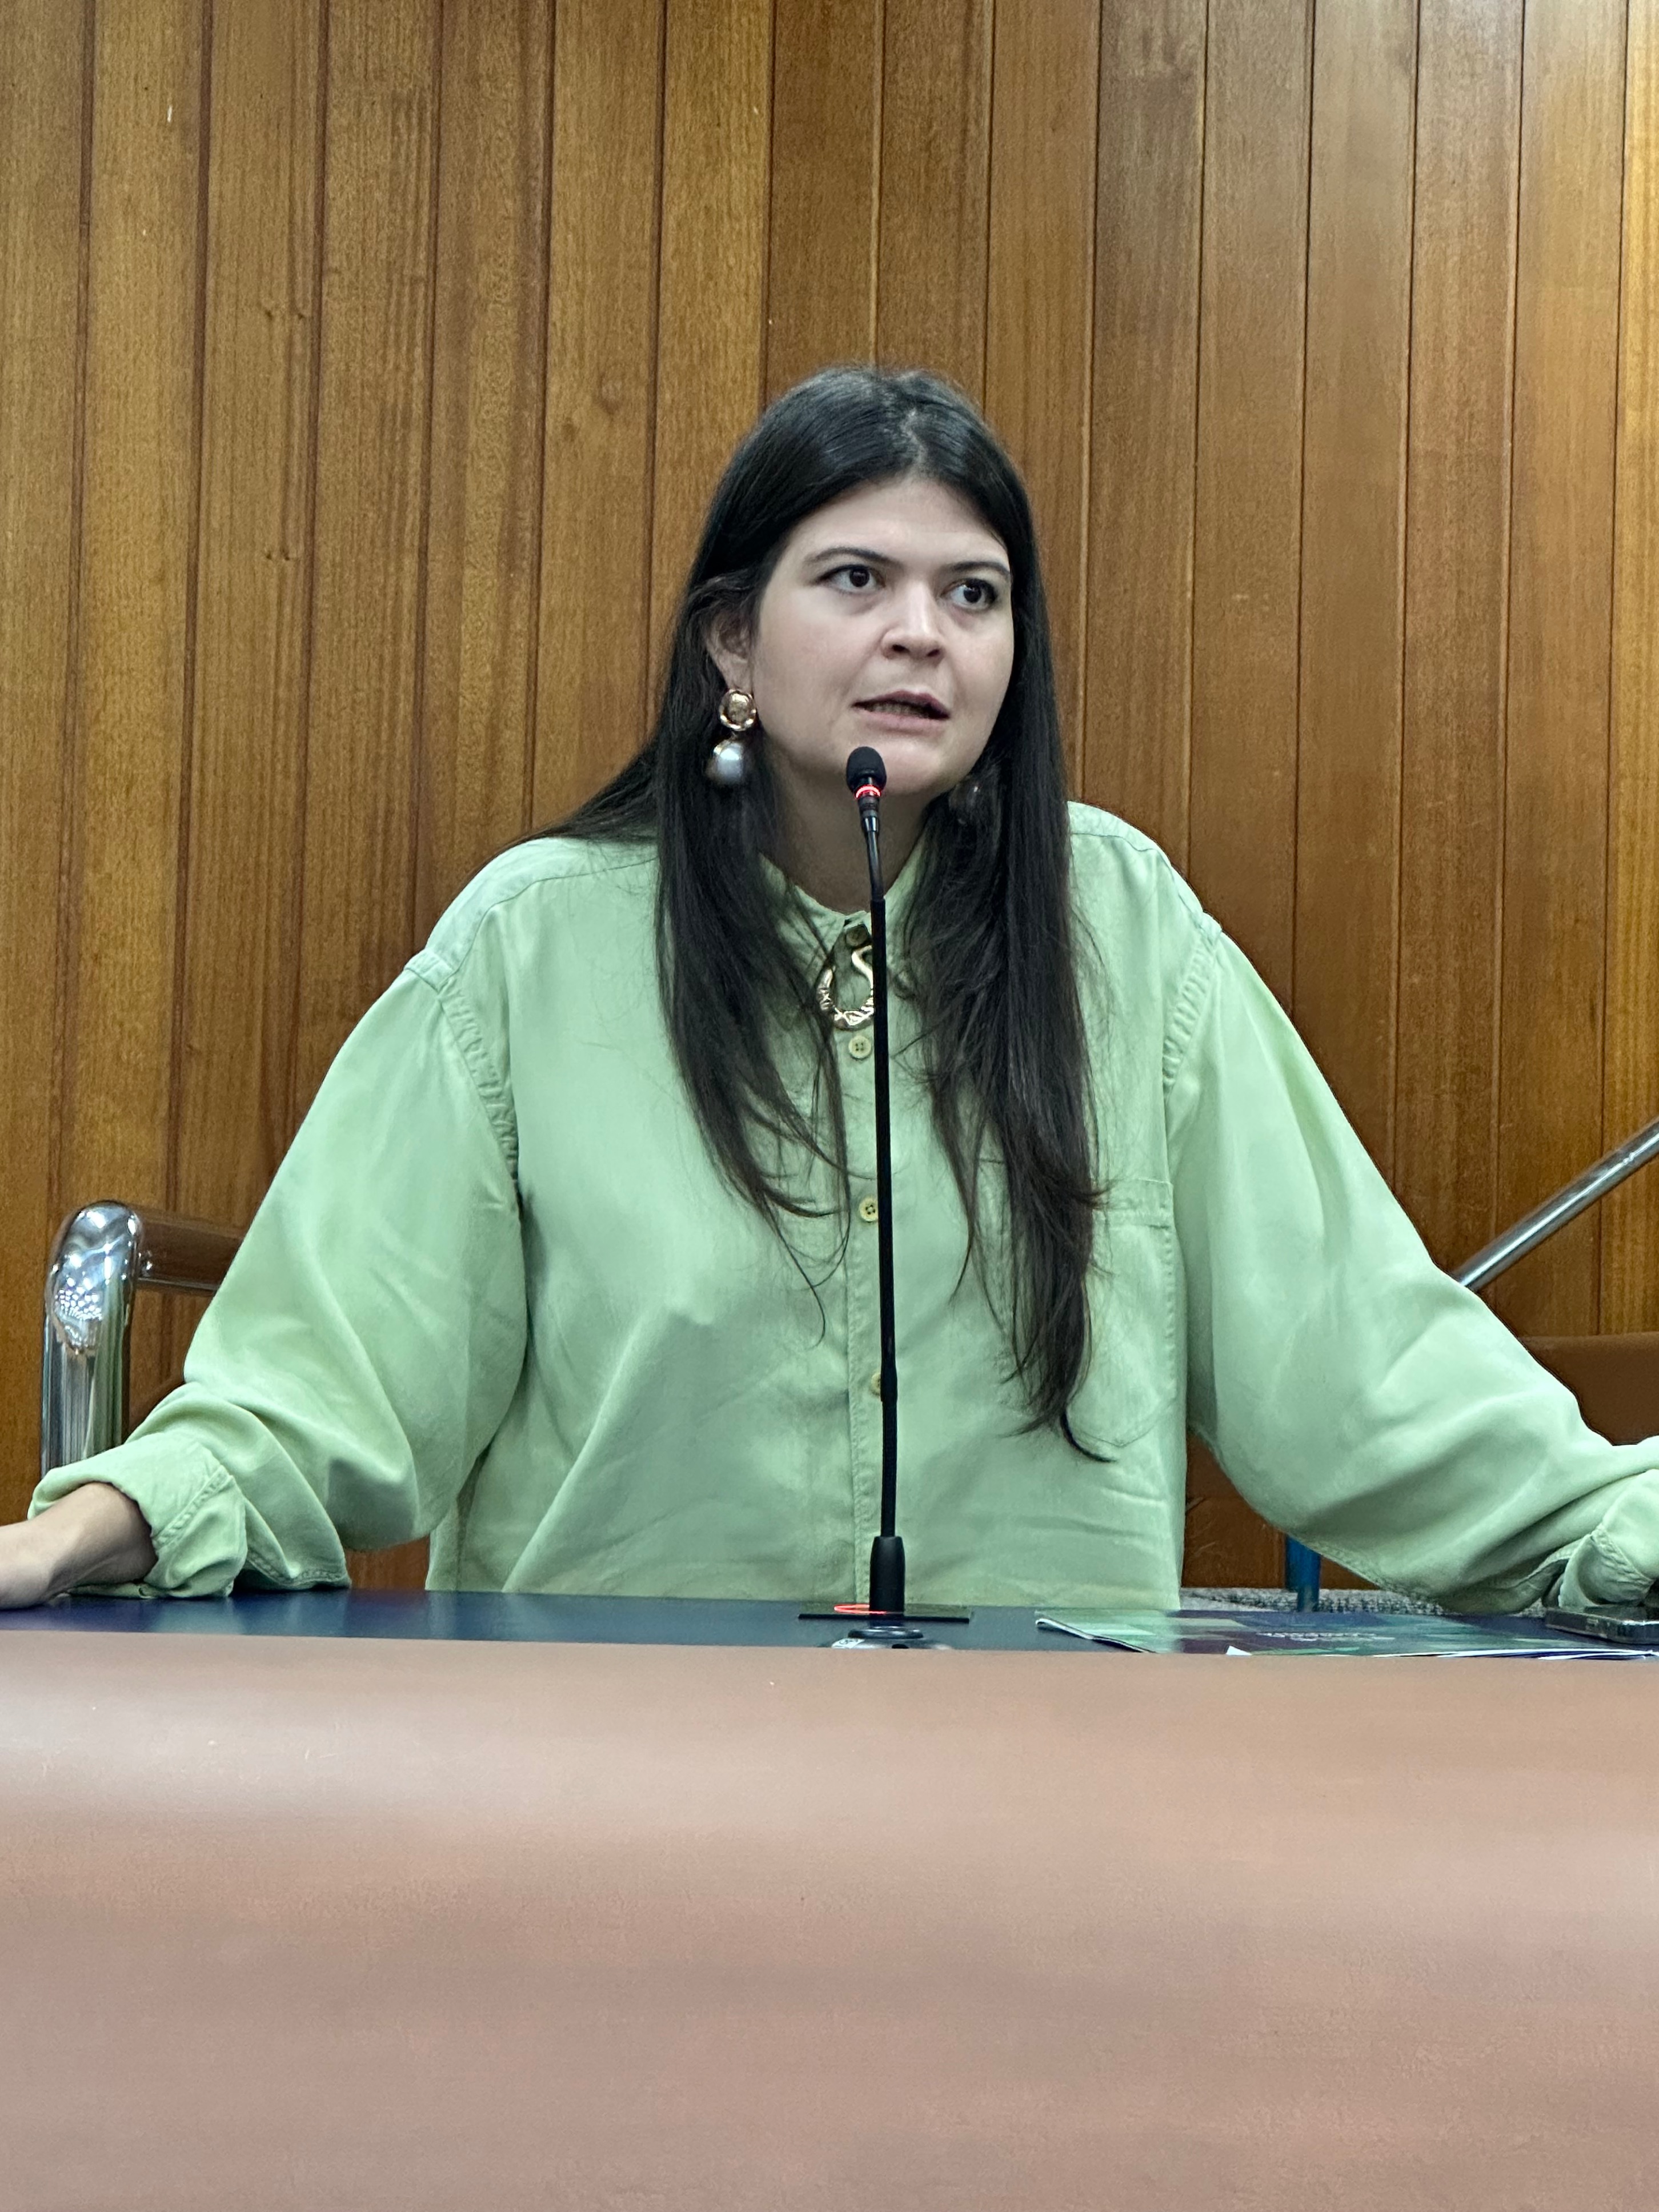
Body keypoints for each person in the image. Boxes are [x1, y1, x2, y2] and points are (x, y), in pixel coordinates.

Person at [6, 366, 1658, 1615]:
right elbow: (323, 1381)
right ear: (733, 644)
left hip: (1052, 1799)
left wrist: (1608, 1529)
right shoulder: (533, 949)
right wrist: (98, 1527)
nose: (921, 634)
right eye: (856, 579)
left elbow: (1362, 1360)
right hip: (601, 1790)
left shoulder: (1125, 932)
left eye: (973, 595)